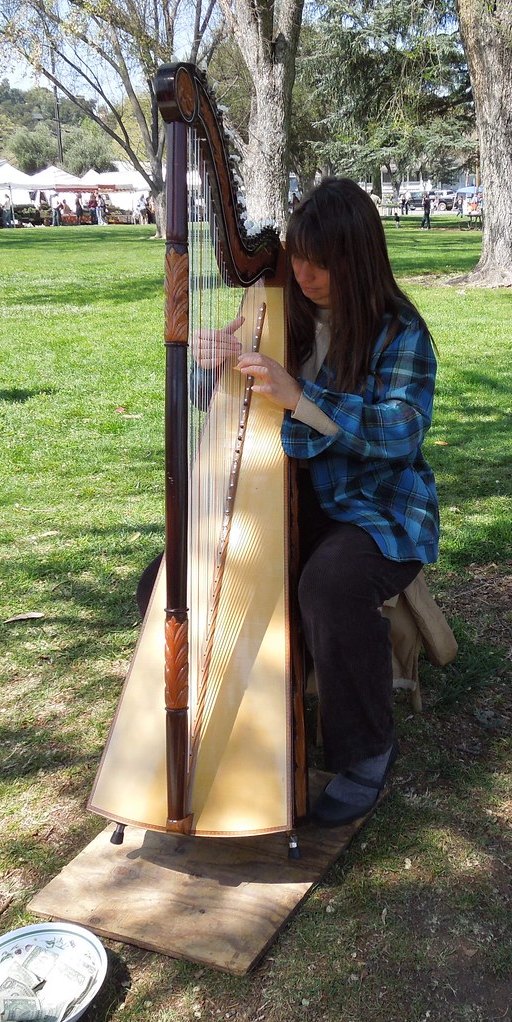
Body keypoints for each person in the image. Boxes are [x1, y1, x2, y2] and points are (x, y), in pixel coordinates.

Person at [193, 178, 439, 826]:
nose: (302, 275)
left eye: (320, 263)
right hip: (286, 496)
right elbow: (227, 408)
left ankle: (365, 752)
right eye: (297, 258)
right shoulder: (281, 313)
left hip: (377, 508)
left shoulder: (400, 332)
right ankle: (219, 723)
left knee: (330, 585)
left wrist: (300, 395)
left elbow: (400, 431)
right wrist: (209, 366)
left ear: (357, 260)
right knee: (173, 579)